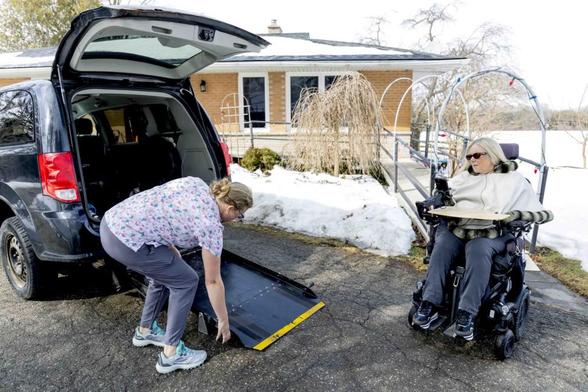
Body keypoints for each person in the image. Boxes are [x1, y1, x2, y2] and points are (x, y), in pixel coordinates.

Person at [100, 177, 253, 373]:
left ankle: (145, 331)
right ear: (230, 208)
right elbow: (213, 281)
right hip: (126, 241)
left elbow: (163, 208)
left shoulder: (196, 184)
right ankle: (170, 356)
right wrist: (223, 319)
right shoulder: (210, 225)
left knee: (166, 273)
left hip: (112, 223)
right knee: (186, 281)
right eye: (240, 215)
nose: (237, 219)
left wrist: (171, 248)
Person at [412, 137, 553, 340]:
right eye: (469, 156)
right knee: (442, 244)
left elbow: (542, 213)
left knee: (478, 249)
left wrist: (515, 216)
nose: (472, 160)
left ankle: (466, 313)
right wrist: (434, 202)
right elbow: (444, 199)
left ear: (493, 155)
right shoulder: (463, 179)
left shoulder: (514, 180)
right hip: (460, 229)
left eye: (477, 155)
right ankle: (429, 303)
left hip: (494, 234)